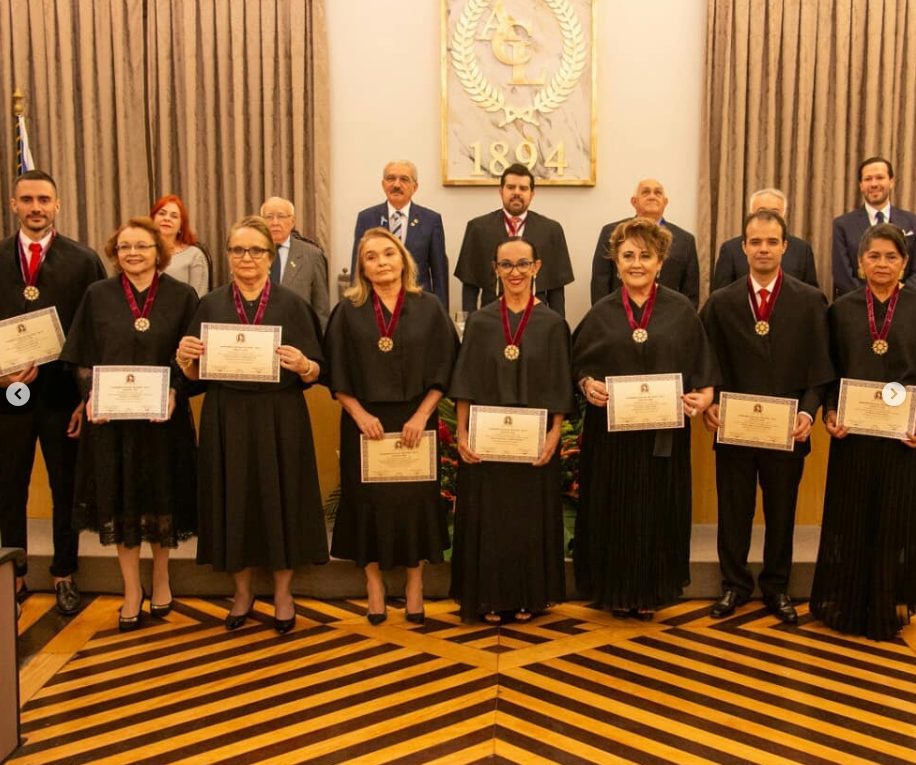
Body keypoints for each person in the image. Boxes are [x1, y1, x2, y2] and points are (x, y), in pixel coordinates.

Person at [177, 215, 328, 634]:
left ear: (269, 256)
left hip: (280, 416)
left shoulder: (292, 304)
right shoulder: (209, 305)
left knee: (283, 499)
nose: (247, 258)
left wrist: (305, 364)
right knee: (232, 499)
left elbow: (318, 372)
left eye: (256, 250)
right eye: (238, 250)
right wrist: (184, 358)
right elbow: (193, 377)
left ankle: (282, 592)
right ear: (228, 257)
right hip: (226, 415)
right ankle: (242, 591)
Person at [573, 218, 718, 618]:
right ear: (616, 261)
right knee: (613, 511)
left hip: (662, 441)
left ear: (660, 262)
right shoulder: (601, 312)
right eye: (628, 255)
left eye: (645, 255)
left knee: (656, 513)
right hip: (611, 441)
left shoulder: (681, 310)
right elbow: (577, 366)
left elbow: (704, 373)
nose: (636, 263)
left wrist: (702, 398)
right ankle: (612, 590)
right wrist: (587, 385)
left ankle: (651, 592)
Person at [60, 217, 199, 631]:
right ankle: (130, 589)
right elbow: (82, 355)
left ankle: (160, 577)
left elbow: (192, 357)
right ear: (114, 253)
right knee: (120, 503)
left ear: (160, 250)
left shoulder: (182, 295)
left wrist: (175, 390)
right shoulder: (97, 295)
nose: (133, 253)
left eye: (141, 245)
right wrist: (90, 397)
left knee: (161, 499)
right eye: (124, 247)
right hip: (111, 423)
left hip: (163, 420)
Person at [701, 210, 834, 622]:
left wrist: (809, 414)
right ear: (743, 247)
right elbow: (706, 364)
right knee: (733, 511)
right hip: (734, 430)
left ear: (784, 247)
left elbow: (821, 368)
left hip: (787, 432)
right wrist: (712, 402)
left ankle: (777, 588)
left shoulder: (811, 301)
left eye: (771, 242)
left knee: (782, 512)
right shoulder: (720, 303)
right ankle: (734, 586)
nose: (763, 249)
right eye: (755, 242)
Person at [325, 227, 458, 624]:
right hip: (364, 423)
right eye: (371, 256)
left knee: (414, 504)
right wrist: (359, 414)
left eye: (388, 254)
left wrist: (422, 416)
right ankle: (374, 584)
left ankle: (414, 585)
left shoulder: (429, 306)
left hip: (417, 420)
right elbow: (335, 371)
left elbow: (445, 366)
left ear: (403, 259)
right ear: (362, 267)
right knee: (367, 505)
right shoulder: (347, 310)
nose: (381, 262)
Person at [449, 236, 576, 624]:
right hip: (487, 444)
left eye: (523, 264)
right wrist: (462, 433)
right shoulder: (483, 321)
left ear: (537, 268)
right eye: (506, 265)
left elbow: (560, 387)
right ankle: (487, 596)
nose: (515, 272)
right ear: (495, 270)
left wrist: (555, 435)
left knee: (527, 520)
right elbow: (466, 381)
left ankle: (528, 596)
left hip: (533, 444)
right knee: (489, 519)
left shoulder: (554, 324)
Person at [0, 170, 106, 614]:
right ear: (14, 205)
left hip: (64, 396)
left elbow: (98, 331)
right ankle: (15, 578)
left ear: (57, 205)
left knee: (66, 487)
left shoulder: (83, 260)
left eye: (44, 199)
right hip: (7, 394)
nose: (36, 207)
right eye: (27, 199)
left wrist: (88, 396)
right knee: (9, 487)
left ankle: (64, 572)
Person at [811, 223, 916, 640]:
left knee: (893, 522)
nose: (882, 264)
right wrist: (831, 412)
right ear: (859, 263)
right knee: (851, 520)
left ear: (904, 263)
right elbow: (827, 371)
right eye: (874, 256)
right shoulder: (841, 310)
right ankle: (848, 605)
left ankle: (886, 605)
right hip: (852, 436)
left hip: (902, 440)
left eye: (891, 256)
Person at [454, 163, 574, 317]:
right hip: (491, 316)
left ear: (532, 194)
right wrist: (469, 325)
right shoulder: (478, 228)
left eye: (523, 188)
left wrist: (559, 327)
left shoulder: (551, 230)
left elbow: (556, 291)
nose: (516, 192)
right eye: (511, 187)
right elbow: (470, 287)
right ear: (501, 191)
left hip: (537, 317)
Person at [351, 161, 449, 309]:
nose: (396, 185)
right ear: (383, 184)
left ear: (414, 187)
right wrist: (356, 307)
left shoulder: (431, 220)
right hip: (375, 305)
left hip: (419, 305)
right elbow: (357, 268)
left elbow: (439, 274)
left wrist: (441, 314)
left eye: (404, 179)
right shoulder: (366, 218)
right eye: (391, 178)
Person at [590, 178, 700, 308]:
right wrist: (604, 316)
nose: (652, 197)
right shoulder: (612, 233)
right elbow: (600, 282)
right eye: (645, 192)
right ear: (634, 202)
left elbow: (690, 291)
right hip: (619, 314)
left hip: (669, 317)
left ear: (665, 202)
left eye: (657, 193)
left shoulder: (685, 240)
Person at [832, 156, 916, 296]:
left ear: (891, 181)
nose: (874, 184)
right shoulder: (842, 225)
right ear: (861, 185)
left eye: (879, 177)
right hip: (857, 306)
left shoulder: (912, 222)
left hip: (905, 306)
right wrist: (872, 300)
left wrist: (897, 297)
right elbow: (842, 275)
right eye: (868, 179)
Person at [713, 188, 819, 289]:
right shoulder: (730, 249)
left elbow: (811, 295)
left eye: (775, 212)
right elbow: (720, 297)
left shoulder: (802, 249)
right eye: (761, 211)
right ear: (751, 214)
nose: (768, 217)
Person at [262, 196, 330, 329]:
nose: (275, 222)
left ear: (292, 222)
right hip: (259, 335)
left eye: (281, 216)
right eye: (269, 217)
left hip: (298, 333)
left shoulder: (312, 255)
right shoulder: (250, 252)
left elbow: (321, 309)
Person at [151, 194, 210, 297]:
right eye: (162, 213)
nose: (167, 219)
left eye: (174, 216)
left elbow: (198, 298)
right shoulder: (140, 252)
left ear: (181, 225)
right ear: (152, 219)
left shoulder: (194, 255)